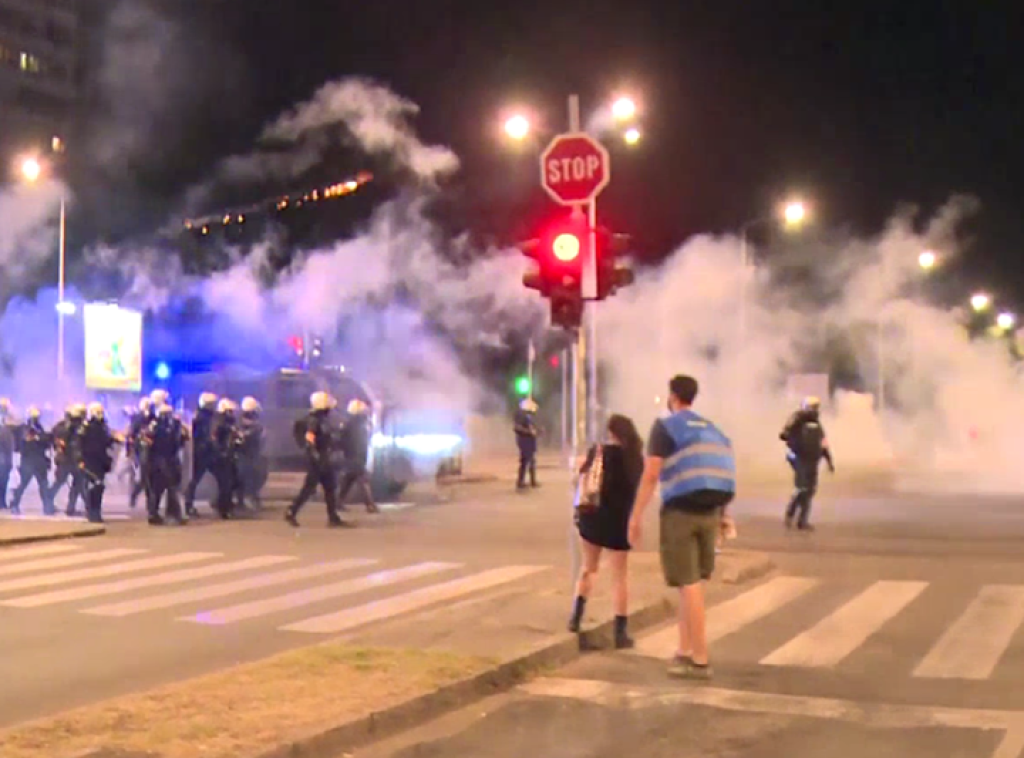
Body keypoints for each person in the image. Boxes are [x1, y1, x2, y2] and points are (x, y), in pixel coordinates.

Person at [628, 375, 736, 680]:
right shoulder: (710, 428)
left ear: (672, 396)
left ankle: (700, 659)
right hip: (711, 511)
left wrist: (635, 517)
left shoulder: (666, 426)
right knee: (691, 585)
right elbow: (721, 468)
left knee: (688, 586)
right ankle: (684, 650)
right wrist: (724, 516)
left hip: (681, 513)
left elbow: (650, 476)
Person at [568, 414, 645, 649]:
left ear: (611, 432)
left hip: (594, 517)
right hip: (620, 521)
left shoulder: (599, 452)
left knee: (589, 568)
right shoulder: (636, 459)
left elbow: (579, 481)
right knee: (620, 577)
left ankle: (576, 618)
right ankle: (620, 633)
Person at [285, 391, 349, 528]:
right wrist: (317, 458)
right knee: (309, 488)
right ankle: (292, 511)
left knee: (329, 488)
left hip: (322, 459)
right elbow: (310, 440)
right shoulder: (314, 420)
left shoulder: (319, 419)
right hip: (318, 461)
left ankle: (332, 517)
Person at [780, 396, 835, 531]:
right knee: (802, 488)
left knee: (810, 491)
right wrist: (791, 438)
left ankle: (803, 521)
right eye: (813, 407)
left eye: (816, 407)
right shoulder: (797, 419)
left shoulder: (817, 424)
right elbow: (783, 434)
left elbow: (823, 443)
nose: (815, 410)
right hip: (799, 458)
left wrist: (829, 461)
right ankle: (790, 514)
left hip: (813, 460)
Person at [141, 403, 189, 525]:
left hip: (170, 459)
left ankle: (172, 513)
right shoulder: (154, 426)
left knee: (171, 488)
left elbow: (180, 441)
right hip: (159, 460)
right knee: (160, 489)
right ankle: (155, 513)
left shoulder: (175, 425)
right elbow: (148, 444)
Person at [77, 403, 121, 524]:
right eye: (98, 412)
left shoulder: (103, 427)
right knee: (93, 486)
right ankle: (91, 512)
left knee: (99, 487)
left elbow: (104, 441)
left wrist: (114, 439)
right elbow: (79, 444)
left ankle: (97, 512)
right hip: (89, 460)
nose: (100, 415)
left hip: (100, 460)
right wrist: (80, 459)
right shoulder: (86, 427)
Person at [10, 406, 54, 515]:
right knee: (24, 484)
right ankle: (15, 504)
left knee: (43, 484)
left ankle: (47, 507)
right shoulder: (24, 429)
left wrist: (39, 438)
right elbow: (22, 444)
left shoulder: (39, 428)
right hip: (28, 461)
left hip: (39, 460)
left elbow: (46, 441)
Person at [336, 399, 378, 513]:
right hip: (356, 455)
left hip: (353, 455)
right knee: (362, 480)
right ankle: (370, 505)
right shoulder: (356, 424)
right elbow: (357, 440)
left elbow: (342, 439)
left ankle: (338, 502)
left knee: (348, 480)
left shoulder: (351, 422)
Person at [184, 392, 218, 518]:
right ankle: (188, 505)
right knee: (194, 480)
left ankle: (218, 501)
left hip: (206, 452)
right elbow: (199, 436)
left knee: (221, 477)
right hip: (202, 453)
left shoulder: (206, 417)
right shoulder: (200, 418)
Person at [50, 403, 86, 517]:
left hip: (70, 459)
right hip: (68, 460)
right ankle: (49, 502)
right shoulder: (69, 427)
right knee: (65, 482)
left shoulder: (63, 426)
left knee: (77, 483)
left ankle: (70, 507)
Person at [210, 398, 240, 519]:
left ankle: (223, 504)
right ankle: (223, 508)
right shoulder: (220, 424)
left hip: (229, 456)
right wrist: (222, 452)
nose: (232, 413)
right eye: (230, 411)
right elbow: (215, 440)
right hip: (222, 458)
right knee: (225, 484)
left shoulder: (229, 423)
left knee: (232, 481)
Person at [235, 396, 267, 510]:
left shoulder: (240, 423)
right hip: (248, 455)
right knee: (251, 476)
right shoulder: (254, 426)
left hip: (247, 454)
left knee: (247, 476)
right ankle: (249, 497)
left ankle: (243, 499)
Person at [127, 398, 155, 509]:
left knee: (150, 478)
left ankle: (150, 502)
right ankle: (134, 496)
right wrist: (130, 450)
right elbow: (132, 435)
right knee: (143, 477)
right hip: (140, 451)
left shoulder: (153, 418)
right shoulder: (137, 418)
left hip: (151, 452)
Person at [514, 398, 540, 490]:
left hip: (529, 442)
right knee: (526, 462)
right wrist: (529, 432)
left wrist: (537, 431)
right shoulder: (521, 415)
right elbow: (517, 428)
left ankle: (527, 481)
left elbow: (532, 428)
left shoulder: (528, 416)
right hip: (524, 442)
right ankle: (522, 482)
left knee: (529, 461)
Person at [0, 399, 15, 510]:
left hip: (3, 460)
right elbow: (8, 448)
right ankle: (2, 502)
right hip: (3, 460)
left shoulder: (6, 430)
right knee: (3, 481)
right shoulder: (6, 431)